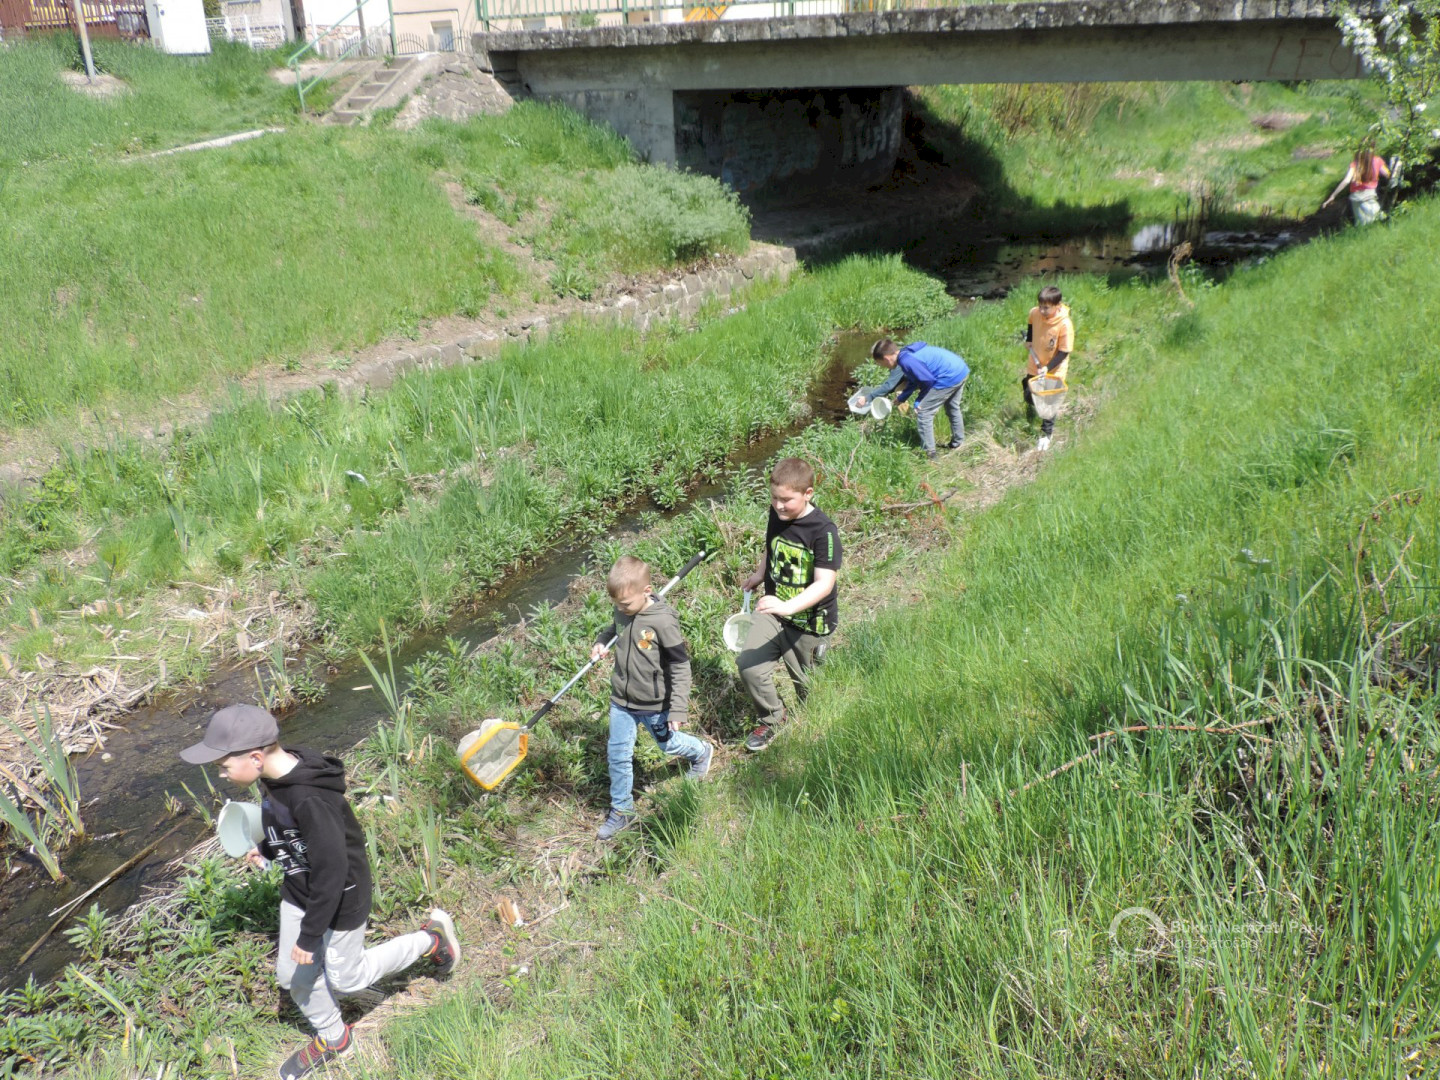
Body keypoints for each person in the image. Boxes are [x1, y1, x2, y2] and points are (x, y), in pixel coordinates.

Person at [180, 704, 460, 1080]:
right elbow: (287, 830)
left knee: (347, 979)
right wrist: (266, 850)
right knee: (291, 976)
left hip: (342, 897)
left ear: (255, 758)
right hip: (300, 891)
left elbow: (332, 873)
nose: (220, 773)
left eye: (223, 765)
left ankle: (430, 940)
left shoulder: (310, 798)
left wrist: (310, 937)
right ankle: (334, 1037)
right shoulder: (274, 777)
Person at [589, 555, 714, 840]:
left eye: (625, 604)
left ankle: (701, 751)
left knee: (668, 744)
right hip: (621, 699)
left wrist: (678, 708)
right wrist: (601, 642)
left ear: (646, 591)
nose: (621, 609)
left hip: (654, 703)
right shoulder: (623, 610)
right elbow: (613, 629)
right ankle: (622, 811)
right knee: (618, 755)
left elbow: (680, 665)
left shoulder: (662, 621)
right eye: (617, 604)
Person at [738, 457, 842, 752]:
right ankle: (774, 719)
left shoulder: (823, 531)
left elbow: (824, 583)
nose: (779, 505)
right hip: (774, 614)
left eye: (786, 500)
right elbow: (771, 546)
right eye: (774, 498)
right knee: (748, 666)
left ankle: (813, 733)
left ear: (808, 493)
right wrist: (760, 573)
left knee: (810, 689)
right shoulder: (777, 515)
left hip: (810, 624)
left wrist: (789, 606)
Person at [855, 337, 969, 460]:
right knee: (952, 407)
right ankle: (958, 443)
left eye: (880, 364)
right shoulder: (905, 353)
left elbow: (928, 381)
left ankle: (930, 455)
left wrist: (919, 401)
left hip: (948, 377)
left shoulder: (906, 361)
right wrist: (903, 397)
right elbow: (915, 379)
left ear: (886, 358)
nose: (883, 367)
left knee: (924, 413)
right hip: (960, 370)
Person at [1022, 285, 1074, 452]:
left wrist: (1048, 368)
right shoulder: (1035, 313)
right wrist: (1029, 339)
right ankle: (1039, 405)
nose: (1042, 310)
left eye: (1046, 308)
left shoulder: (1064, 324)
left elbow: (1064, 352)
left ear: (1057, 306)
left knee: (1048, 401)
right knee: (1028, 394)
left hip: (1054, 368)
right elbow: (1031, 324)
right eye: (1041, 306)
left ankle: (1046, 434)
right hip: (1035, 362)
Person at [1323, 136, 1391, 226]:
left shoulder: (1355, 164)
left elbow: (1346, 180)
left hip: (1357, 198)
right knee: (1377, 218)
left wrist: (1333, 196)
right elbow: (1388, 174)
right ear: (1373, 148)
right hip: (1370, 195)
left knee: (1362, 224)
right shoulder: (1377, 161)